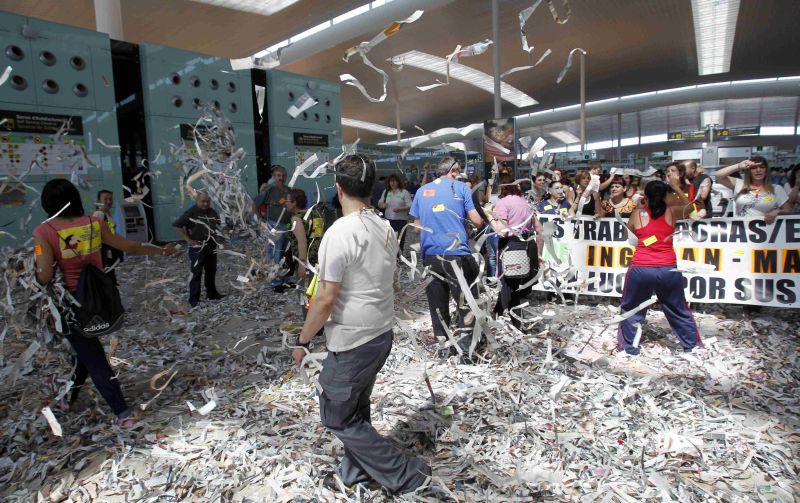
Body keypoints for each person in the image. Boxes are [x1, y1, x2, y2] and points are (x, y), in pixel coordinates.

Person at [290, 154, 430, 494]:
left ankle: (406, 474)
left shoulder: (340, 233)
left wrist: (303, 340)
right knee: (356, 408)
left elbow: (324, 299)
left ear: (338, 188)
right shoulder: (384, 226)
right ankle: (354, 474)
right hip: (380, 334)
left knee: (335, 415)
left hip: (353, 341)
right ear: (373, 188)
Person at [33, 179, 177, 427]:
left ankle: (122, 412)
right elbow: (130, 245)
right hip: (100, 298)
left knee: (94, 357)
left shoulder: (43, 232)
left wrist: (33, 270)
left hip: (70, 305)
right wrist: (162, 250)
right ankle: (69, 397)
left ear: (47, 204)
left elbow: (44, 274)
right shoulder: (93, 222)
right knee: (86, 351)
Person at [616, 175, 702, 356]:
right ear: (665, 196)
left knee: (631, 308)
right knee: (678, 308)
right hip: (668, 268)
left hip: (641, 267)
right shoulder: (672, 212)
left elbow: (629, 236)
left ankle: (628, 348)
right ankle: (692, 345)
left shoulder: (637, 214)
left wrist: (641, 208)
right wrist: (677, 188)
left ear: (645, 197)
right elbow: (691, 206)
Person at [409, 156, 485, 360]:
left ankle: (443, 347)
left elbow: (416, 229)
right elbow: (477, 221)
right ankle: (466, 350)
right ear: (455, 170)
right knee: (465, 303)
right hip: (456, 254)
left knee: (437, 303)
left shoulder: (421, 191)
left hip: (431, 255)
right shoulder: (461, 188)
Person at [485, 174, 544, 327]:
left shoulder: (503, 203)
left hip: (512, 247)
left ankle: (503, 320)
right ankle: (503, 314)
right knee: (513, 285)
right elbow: (539, 228)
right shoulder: (525, 202)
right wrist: (538, 253)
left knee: (508, 285)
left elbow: (502, 231)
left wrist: (489, 216)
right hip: (527, 246)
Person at [173, 192, 225, 307]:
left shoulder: (212, 212)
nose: (205, 204)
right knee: (196, 273)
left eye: (207, 201)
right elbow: (177, 225)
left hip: (211, 245)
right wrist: (188, 240)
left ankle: (212, 294)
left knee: (211, 271)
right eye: (203, 201)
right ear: (197, 201)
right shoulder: (191, 212)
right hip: (197, 247)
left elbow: (217, 225)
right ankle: (194, 299)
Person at [712, 156, 798, 224]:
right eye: (754, 168)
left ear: (766, 170)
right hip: (741, 233)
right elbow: (718, 176)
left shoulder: (776, 189)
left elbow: (788, 209)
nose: (758, 170)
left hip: (766, 234)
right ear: (749, 171)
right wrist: (738, 166)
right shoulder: (739, 184)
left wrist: (777, 211)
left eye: (762, 167)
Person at [253, 165, 290, 267]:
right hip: (273, 225)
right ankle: (273, 278)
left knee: (283, 253)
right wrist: (260, 220)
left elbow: (283, 203)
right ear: (274, 177)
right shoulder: (268, 190)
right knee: (274, 253)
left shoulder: (288, 190)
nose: (281, 178)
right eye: (278, 175)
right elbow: (254, 204)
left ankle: (280, 276)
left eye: (283, 175)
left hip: (287, 226)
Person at [93, 190, 124, 284]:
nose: (109, 201)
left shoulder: (107, 213)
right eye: (105, 199)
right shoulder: (99, 214)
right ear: (99, 200)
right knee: (107, 272)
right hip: (104, 249)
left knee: (111, 270)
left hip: (110, 247)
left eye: (110, 199)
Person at [377, 174, 412, 254]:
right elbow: (380, 203)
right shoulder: (386, 192)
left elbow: (410, 205)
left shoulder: (404, 192)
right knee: (389, 239)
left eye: (394, 181)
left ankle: (399, 257)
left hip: (401, 220)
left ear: (398, 182)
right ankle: (390, 256)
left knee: (399, 239)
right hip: (388, 220)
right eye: (391, 181)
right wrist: (382, 205)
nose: (392, 183)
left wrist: (400, 209)